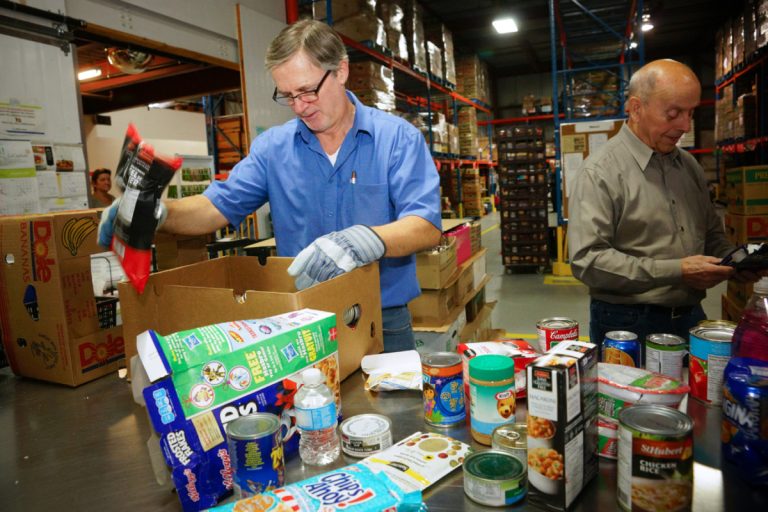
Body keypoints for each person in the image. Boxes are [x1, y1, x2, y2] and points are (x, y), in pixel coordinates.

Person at [99, 19, 441, 352]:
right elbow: (216, 206)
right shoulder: (273, 148)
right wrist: (160, 213)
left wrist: (366, 240)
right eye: (288, 96)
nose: (300, 107)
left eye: (307, 91)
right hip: (303, 319)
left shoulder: (397, 139)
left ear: (341, 71)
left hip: (383, 320)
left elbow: (425, 226)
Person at [568, 59, 761, 355]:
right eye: (673, 114)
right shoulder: (600, 172)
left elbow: (711, 233)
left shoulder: (689, 167)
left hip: (691, 316)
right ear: (636, 108)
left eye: (690, 113)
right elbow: (587, 260)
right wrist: (678, 270)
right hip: (627, 322)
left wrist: (734, 263)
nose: (685, 126)